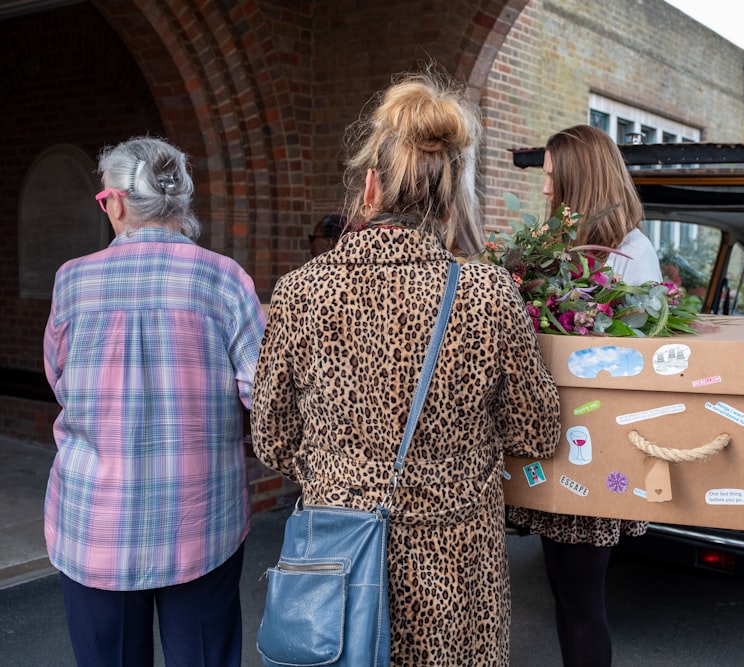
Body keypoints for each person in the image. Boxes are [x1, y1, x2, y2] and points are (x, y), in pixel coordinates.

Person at [251, 68, 561, 666]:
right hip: (457, 568)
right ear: (450, 199)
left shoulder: (299, 292)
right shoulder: (487, 293)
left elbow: (272, 437)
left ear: (369, 187)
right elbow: (537, 430)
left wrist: (344, 471)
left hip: (338, 560)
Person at [43, 136, 266, 667]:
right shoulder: (225, 279)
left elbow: (60, 380)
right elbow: (264, 394)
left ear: (116, 201)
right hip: (201, 521)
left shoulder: (74, 281)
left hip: (96, 523)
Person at [507, 124, 662, 667]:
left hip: (593, 450)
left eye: (552, 177)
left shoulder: (630, 254)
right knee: (564, 592)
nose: (545, 190)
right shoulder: (556, 248)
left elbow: (632, 361)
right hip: (551, 441)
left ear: (580, 180)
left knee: (582, 599)